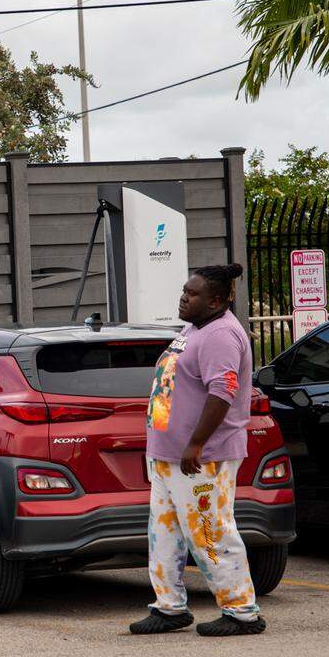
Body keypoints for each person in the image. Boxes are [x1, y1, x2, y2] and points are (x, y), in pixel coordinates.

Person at [129, 263, 267, 637]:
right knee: (165, 532)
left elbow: (222, 392)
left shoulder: (222, 335)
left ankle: (241, 612)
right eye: (184, 290)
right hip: (167, 455)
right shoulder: (194, 328)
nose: (183, 297)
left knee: (210, 531)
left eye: (192, 294)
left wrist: (196, 442)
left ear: (217, 301)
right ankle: (169, 608)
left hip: (203, 457)